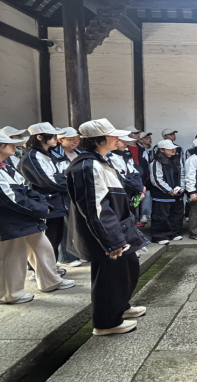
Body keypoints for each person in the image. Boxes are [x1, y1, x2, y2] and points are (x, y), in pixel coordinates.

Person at [0, 131, 74, 304]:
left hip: (23, 218)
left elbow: (26, 189)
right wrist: (40, 209)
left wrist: (42, 205)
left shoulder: (2, 165)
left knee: (42, 249)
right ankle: (7, 295)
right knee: (11, 258)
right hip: (5, 222)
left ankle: (50, 281)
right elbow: (7, 199)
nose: (14, 146)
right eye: (9, 143)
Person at [65, 119, 147, 335]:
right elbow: (96, 208)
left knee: (127, 269)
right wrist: (112, 241)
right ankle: (106, 323)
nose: (117, 139)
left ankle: (121, 307)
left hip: (118, 228)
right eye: (113, 135)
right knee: (109, 278)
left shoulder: (100, 161)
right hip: (106, 233)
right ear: (98, 140)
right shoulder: (87, 166)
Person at [19, 122, 69, 266]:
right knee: (46, 239)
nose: (55, 139)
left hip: (57, 202)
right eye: (52, 136)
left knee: (55, 238)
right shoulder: (32, 156)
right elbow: (47, 181)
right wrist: (66, 183)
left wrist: (63, 180)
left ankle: (51, 267)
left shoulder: (49, 154)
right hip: (45, 203)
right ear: (39, 137)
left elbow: (62, 174)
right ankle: (39, 269)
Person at [53, 127, 84, 267]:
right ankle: (65, 257)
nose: (75, 142)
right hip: (64, 193)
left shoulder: (79, 153)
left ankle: (79, 252)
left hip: (79, 191)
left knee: (78, 224)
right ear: (60, 140)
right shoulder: (55, 155)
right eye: (71, 139)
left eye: (77, 139)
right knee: (66, 225)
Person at [150, 139, 185, 245]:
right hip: (162, 195)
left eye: (173, 148)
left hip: (177, 194)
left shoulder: (176, 160)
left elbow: (182, 174)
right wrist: (169, 190)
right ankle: (160, 236)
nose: (173, 150)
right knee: (161, 216)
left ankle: (174, 233)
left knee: (176, 214)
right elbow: (156, 180)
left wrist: (182, 186)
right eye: (170, 149)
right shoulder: (156, 163)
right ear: (162, 150)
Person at [137, 132, 153, 224]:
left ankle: (147, 213)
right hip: (142, 177)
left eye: (149, 137)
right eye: (146, 138)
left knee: (148, 195)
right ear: (140, 140)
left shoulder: (151, 150)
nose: (149, 139)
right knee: (143, 195)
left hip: (149, 177)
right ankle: (142, 214)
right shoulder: (140, 150)